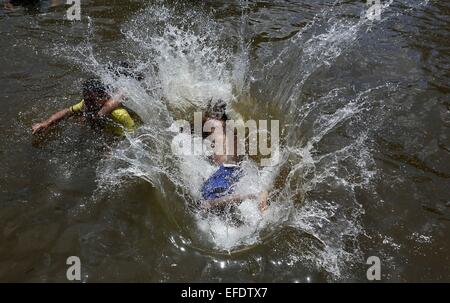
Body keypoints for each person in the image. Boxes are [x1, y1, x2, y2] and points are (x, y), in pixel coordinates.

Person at [199, 99, 268, 213]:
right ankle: (254, 196)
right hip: (234, 169)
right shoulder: (230, 128)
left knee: (207, 202)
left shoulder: (212, 124)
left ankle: (253, 196)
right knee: (213, 201)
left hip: (228, 169)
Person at [32, 78, 137, 136]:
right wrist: (46, 123)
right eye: (86, 99)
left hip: (120, 133)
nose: (88, 103)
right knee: (78, 120)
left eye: (91, 100)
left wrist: (113, 147)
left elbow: (134, 134)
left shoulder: (119, 114)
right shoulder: (86, 104)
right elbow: (67, 111)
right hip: (105, 125)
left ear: (104, 98)